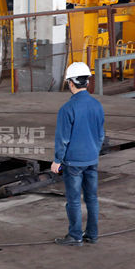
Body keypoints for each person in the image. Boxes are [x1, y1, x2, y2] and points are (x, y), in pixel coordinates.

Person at [52, 62, 105, 246]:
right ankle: (92, 234)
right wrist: (93, 151)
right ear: (87, 83)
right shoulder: (97, 105)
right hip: (92, 159)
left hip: (73, 162)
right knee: (91, 198)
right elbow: (100, 135)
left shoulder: (67, 109)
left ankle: (75, 236)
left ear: (70, 83)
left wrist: (57, 160)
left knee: (74, 200)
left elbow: (63, 139)